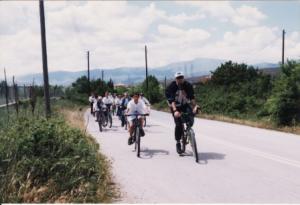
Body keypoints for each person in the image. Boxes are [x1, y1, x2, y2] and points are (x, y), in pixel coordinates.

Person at [165, 71, 199, 154]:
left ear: (183, 78)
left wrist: (195, 106)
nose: (180, 79)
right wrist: (175, 111)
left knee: (191, 118)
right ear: (175, 79)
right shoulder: (171, 87)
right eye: (178, 78)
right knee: (178, 124)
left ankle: (188, 130)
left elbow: (192, 98)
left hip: (184, 105)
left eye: (181, 78)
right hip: (175, 106)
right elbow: (172, 101)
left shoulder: (188, 85)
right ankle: (178, 142)